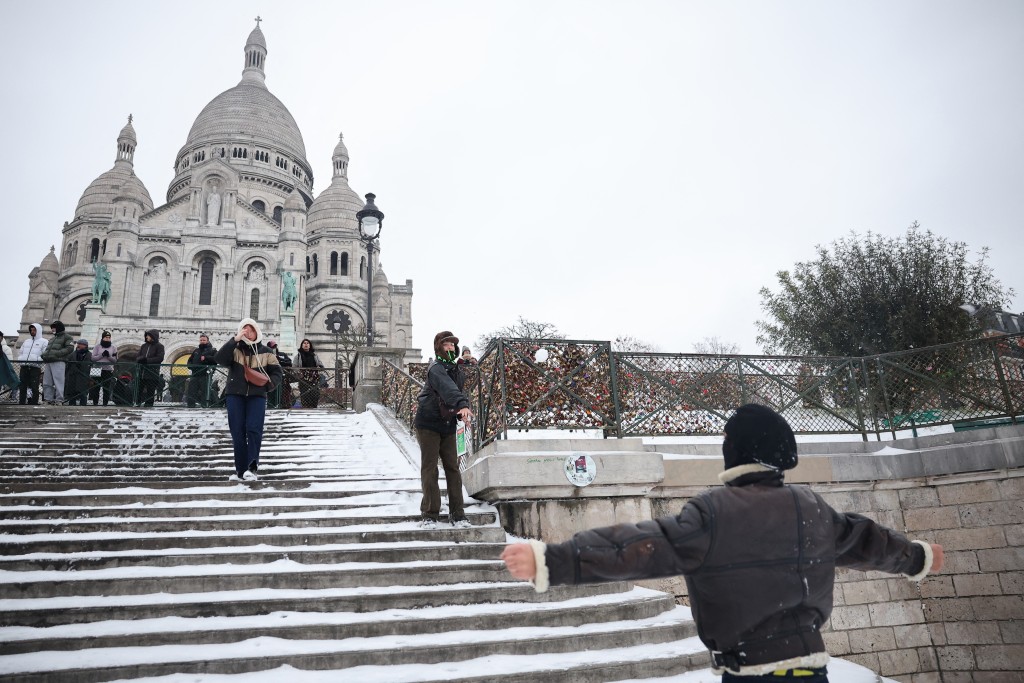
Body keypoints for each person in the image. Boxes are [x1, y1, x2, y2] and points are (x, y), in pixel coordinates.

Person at [500, 404, 945, 683]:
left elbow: (639, 546)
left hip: (749, 672)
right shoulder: (811, 507)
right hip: (812, 669)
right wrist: (916, 557)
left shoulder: (714, 512)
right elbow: (869, 542)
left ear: (733, 454)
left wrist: (552, 560)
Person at [414, 331, 475, 529]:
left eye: (452, 345)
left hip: (447, 424)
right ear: (438, 347)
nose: (450, 348)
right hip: (428, 423)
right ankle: (430, 514)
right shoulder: (436, 368)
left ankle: (458, 514)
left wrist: (461, 413)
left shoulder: (457, 370)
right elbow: (447, 388)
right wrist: (462, 403)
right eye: (446, 344)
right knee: (430, 468)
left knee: (453, 468)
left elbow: (454, 394)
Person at [215, 318, 282, 481]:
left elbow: (277, 372)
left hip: (256, 396)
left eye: (250, 329)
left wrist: (267, 386)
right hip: (235, 395)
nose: (247, 332)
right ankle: (240, 470)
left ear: (256, 331)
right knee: (237, 432)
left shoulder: (267, 351)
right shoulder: (235, 349)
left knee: (253, 429)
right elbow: (220, 359)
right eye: (244, 329)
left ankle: (251, 468)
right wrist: (234, 340)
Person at [40, 320, 74, 404]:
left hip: (59, 361)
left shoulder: (67, 337)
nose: (52, 330)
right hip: (49, 361)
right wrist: (44, 355)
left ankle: (59, 400)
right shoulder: (52, 339)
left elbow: (70, 348)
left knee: (59, 381)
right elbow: (48, 350)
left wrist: (58, 354)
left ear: (58, 328)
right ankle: (48, 399)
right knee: (47, 382)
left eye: (54, 328)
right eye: (52, 328)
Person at [17, 323, 47, 405]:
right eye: (31, 330)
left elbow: (45, 354)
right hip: (24, 366)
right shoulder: (26, 341)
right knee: (22, 386)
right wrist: (21, 360)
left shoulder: (44, 342)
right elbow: (21, 352)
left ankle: (34, 403)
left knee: (34, 387)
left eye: (34, 330)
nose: (32, 332)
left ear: (38, 330)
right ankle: (21, 402)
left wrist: (36, 360)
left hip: (35, 367)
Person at [186, 334, 218, 408]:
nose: (202, 341)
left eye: (204, 340)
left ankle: (204, 406)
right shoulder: (196, 351)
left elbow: (216, 359)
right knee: (191, 391)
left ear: (207, 341)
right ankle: (190, 406)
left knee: (205, 391)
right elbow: (189, 361)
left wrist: (206, 358)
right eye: (201, 340)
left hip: (205, 375)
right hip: (195, 374)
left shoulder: (213, 350)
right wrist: (191, 367)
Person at [135, 329, 165, 406]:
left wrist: (147, 360)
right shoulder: (143, 346)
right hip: (142, 372)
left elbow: (160, 358)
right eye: (146, 335)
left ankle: (148, 405)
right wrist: (140, 360)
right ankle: (137, 403)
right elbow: (138, 356)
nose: (147, 337)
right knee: (139, 389)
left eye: (148, 335)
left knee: (150, 390)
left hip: (152, 372)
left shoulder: (160, 346)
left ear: (153, 336)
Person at [90, 331, 118, 406]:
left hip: (108, 369)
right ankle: (95, 403)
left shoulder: (113, 347)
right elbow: (93, 358)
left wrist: (109, 356)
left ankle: (105, 403)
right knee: (96, 387)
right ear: (103, 338)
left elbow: (115, 360)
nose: (108, 339)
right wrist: (102, 355)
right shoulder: (97, 346)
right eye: (106, 337)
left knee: (106, 388)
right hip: (96, 368)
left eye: (109, 337)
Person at [294, 338, 323, 408]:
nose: (306, 344)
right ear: (301, 345)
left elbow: (321, 364)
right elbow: (294, 367)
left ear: (310, 345)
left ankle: (314, 406)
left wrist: (319, 367)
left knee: (315, 393)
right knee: (304, 394)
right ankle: (305, 407)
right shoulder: (298, 356)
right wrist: (299, 372)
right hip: (303, 378)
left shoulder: (314, 355)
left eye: (307, 343)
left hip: (314, 377)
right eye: (304, 343)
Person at [265, 340, 293, 409]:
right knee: (271, 393)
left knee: (284, 394)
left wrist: (279, 359)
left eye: (275, 346)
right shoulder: (266, 355)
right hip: (271, 378)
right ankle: (271, 407)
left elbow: (289, 362)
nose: (274, 348)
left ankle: (283, 406)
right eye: (272, 347)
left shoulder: (282, 354)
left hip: (283, 378)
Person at [65, 339, 92, 406]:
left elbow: (93, 366)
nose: (78, 345)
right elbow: (67, 365)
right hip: (73, 377)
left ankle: (83, 407)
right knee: (72, 394)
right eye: (78, 344)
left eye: (81, 344)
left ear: (85, 346)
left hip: (84, 377)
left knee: (83, 394)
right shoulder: (72, 354)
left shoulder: (90, 355)